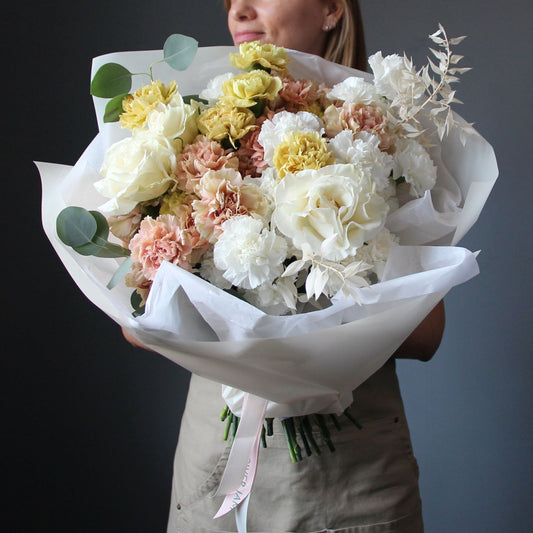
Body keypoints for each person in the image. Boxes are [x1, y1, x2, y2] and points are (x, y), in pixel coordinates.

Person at [124, 1, 445, 531]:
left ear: (330, 10)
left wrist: (295, 321)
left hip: (350, 477)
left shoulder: (386, 137)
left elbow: (426, 333)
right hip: (213, 466)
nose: (241, 10)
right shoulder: (188, 136)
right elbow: (135, 319)